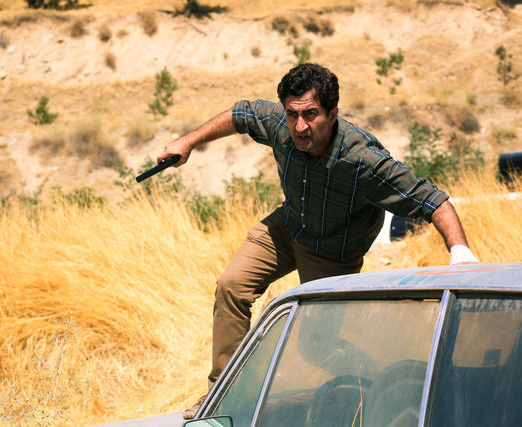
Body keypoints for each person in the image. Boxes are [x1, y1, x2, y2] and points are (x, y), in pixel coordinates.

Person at [156, 63, 479, 419]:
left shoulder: (362, 160)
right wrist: (187, 142)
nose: (299, 126)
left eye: (311, 115)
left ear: (332, 113)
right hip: (288, 226)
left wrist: (460, 253)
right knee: (231, 286)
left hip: (333, 250)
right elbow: (241, 113)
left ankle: (379, 383)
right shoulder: (279, 123)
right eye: (292, 114)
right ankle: (223, 397)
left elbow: (432, 200)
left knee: (315, 344)